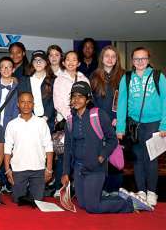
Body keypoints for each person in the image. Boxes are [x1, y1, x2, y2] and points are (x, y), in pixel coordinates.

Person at [62, 81, 152, 213]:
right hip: (79, 169)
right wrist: (65, 172)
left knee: (92, 208)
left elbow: (112, 139)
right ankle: (111, 196)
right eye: (74, 96)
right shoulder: (69, 121)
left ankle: (129, 204)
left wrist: (101, 157)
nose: (76, 99)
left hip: (95, 168)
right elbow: (68, 147)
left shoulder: (97, 115)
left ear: (87, 99)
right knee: (83, 204)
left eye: (81, 96)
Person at [116, 47, 166, 207]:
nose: (140, 62)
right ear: (132, 61)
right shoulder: (127, 78)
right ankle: (141, 191)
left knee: (151, 158)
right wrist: (120, 128)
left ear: (148, 59)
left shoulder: (158, 76)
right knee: (137, 159)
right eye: (136, 59)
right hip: (134, 125)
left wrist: (164, 124)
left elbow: (165, 100)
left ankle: (152, 192)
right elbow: (121, 103)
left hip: (154, 123)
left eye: (143, 58)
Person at [4, 92, 53, 203]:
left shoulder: (41, 123)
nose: (26, 105)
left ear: (33, 104)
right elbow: (7, 149)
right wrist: (7, 170)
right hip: (18, 169)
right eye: (23, 102)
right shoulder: (12, 124)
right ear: (18, 104)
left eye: (29, 102)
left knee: (37, 201)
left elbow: (49, 147)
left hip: (38, 169)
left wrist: (49, 169)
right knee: (18, 200)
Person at [52, 50, 89, 197]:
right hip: (66, 121)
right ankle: (59, 188)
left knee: (79, 153)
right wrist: (71, 116)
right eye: (68, 59)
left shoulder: (84, 78)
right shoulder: (59, 79)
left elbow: (88, 99)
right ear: (63, 62)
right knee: (63, 155)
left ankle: (76, 187)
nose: (71, 62)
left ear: (78, 63)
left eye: (74, 59)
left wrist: (80, 115)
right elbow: (58, 103)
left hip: (81, 120)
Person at [90, 45, 125, 194]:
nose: (110, 59)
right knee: (100, 157)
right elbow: (92, 101)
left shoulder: (124, 76)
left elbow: (125, 101)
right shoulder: (94, 76)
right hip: (99, 124)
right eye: (107, 56)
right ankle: (101, 189)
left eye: (113, 56)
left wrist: (119, 119)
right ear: (102, 58)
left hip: (117, 123)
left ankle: (115, 190)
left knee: (115, 158)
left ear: (117, 59)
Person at [18, 50, 56, 132]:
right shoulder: (24, 80)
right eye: (35, 60)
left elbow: (53, 101)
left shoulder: (53, 80)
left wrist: (45, 118)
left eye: (41, 60)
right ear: (32, 63)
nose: (38, 62)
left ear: (46, 63)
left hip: (48, 122)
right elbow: (21, 100)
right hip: (28, 121)